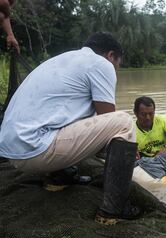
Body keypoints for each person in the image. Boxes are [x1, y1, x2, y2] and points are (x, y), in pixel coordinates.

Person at [0, 32, 139, 224]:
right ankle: (113, 210)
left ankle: (60, 176)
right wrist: (127, 155)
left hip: (11, 150)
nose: (116, 69)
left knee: (79, 114)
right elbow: (109, 121)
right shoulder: (101, 64)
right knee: (123, 122)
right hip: (35, 150)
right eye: (118, 64)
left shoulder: (60, 60)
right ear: (110, 55)